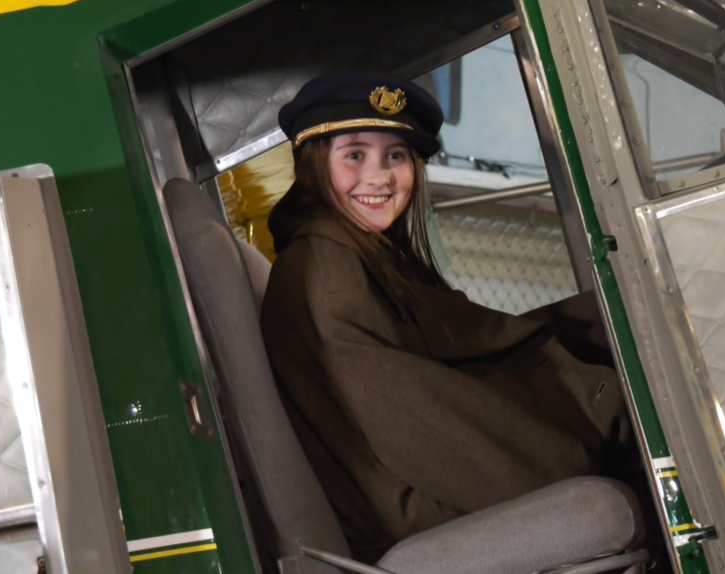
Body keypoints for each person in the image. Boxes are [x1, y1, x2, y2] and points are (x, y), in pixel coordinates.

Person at [260, 70, 641, 563]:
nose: (378, 177)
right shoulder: (329, 277)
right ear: (314, 165)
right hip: (417, 515)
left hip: (421, 495)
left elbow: (459, 350)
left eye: (395, 156)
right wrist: (578, 450)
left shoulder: (358, 254)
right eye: (354, 155)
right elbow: (425, 431)